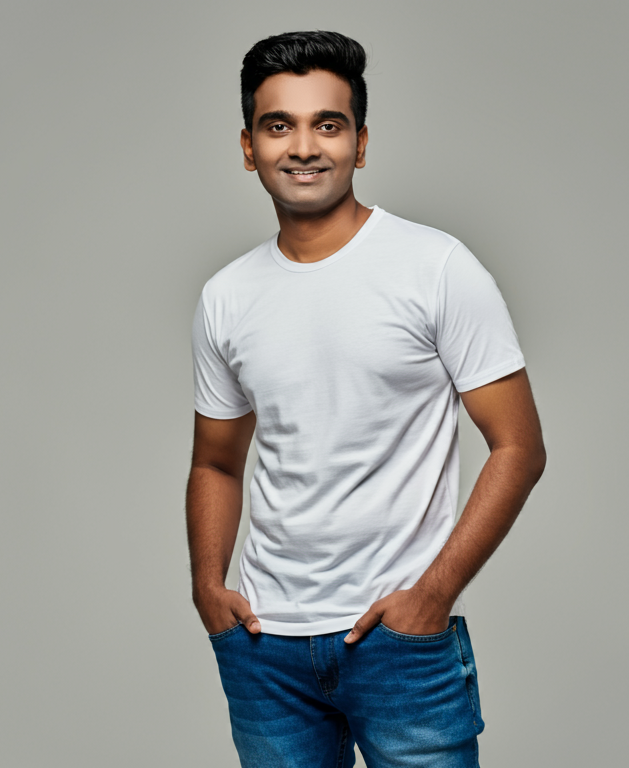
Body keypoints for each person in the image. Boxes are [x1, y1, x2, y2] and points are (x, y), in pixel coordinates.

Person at [187, 30, 546, 768]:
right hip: (264, 648)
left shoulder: (436, 267)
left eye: (329, 123)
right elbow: (216, 463)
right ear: (249, 147)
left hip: (398, 644)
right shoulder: (226, 296)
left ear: (361, 141)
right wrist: (207, 589)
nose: (304, 147)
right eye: (278, 125)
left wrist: (432, 594)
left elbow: (519, 448)